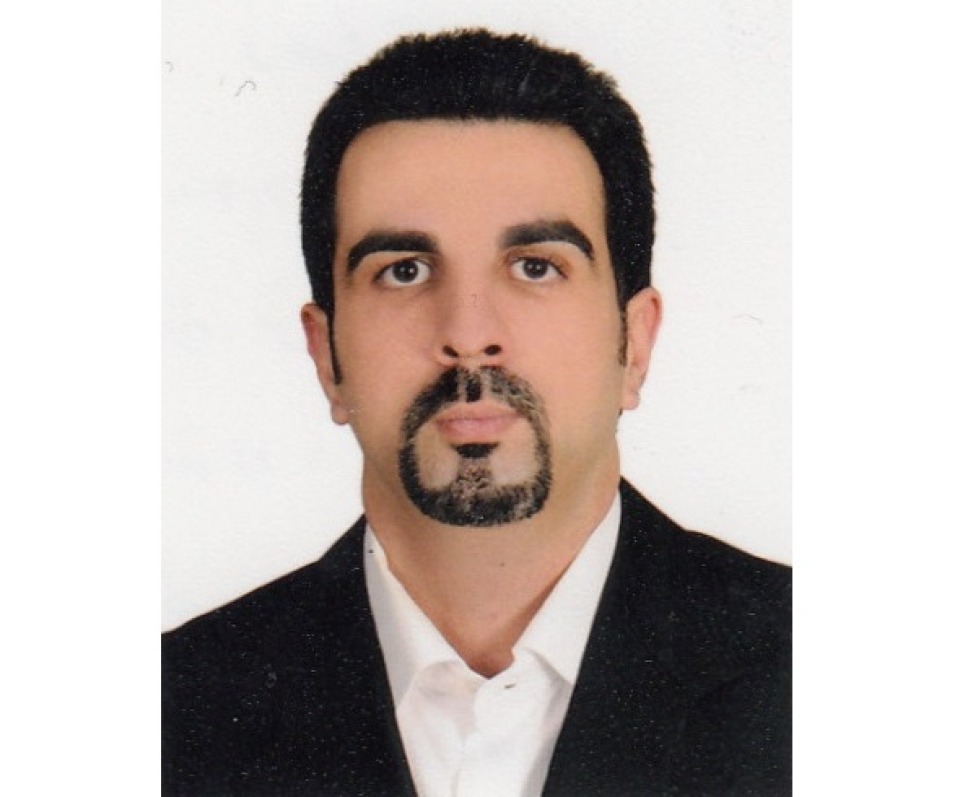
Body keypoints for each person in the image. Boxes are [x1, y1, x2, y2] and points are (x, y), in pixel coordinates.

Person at [162, 29, 791, 796]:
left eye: (535, 267)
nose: (468, 334)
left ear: (636, 343)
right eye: (403, 270)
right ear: (326, 355)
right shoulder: (170, 712)